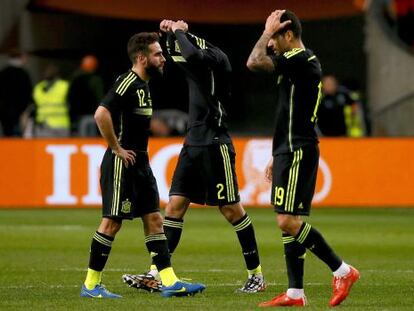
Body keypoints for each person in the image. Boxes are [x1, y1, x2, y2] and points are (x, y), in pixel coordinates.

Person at [122, 20, 266, 294]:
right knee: (174, 207)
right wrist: (168, 35)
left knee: (231, 209)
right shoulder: (200, 61)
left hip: (215, 143)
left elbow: (191, 54)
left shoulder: (216, 60)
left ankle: (256, 275)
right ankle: (156, 273)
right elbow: (175, 54)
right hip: (192, 144)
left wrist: (177, 31)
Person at [246, 10, 360, 307]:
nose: (270, 44)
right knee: (288, 220)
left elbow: (253, 62)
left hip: (299, 149)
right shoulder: (297, 64)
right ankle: (295, 293)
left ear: (287, 35)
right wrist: (276, 152)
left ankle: (342, 270)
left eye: (274, 37)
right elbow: (289, 111)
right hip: (287, 148)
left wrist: (263, 32)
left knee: (287, 220)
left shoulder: (300, 59)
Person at [80, 32, 205, 299]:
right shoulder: (127, 82)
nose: (163, 59)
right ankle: (91, 285)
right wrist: (116, 148)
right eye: (158, 54)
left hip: (141, 163)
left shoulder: (144, 86)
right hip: (122, 164)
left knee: (155, 220)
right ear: (141, 57)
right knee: (112, 223)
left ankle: (169, 282)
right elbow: (101, 113)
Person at [67, 54, 104, 136]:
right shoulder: (96, 80)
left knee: (83, 140)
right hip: (92, 115)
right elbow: (100, 98)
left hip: (80, 116)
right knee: (92, 141)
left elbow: (71, 98)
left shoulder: (75, 79)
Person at [32, 63, 70, 137]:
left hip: (45, 124)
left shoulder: (38, 87)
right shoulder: (65, 86)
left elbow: (34, 105)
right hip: (58, 124)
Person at [0, 49, 32, 137]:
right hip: (18, 112)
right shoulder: (23, 74)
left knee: (8, 134)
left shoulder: (3, 73)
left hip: (4, 111)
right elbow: (27, 93)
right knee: (17, 136)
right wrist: (25, 109)